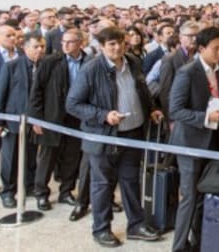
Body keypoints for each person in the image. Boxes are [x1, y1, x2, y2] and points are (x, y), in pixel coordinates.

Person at [65, 26, 163, 247]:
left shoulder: (133, 62)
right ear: (101, 47)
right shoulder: (91, 70)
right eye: (111, 44)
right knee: (102, 185)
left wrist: (151, 109)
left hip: (132, 133)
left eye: (120, 42)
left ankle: (136, 225)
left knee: (130, 181)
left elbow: (142, 90)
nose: (117, 47)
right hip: (104, 137)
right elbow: (72, 104)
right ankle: (101, 229)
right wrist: (103, 115)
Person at [169, 26, 219, 252]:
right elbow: (175, 110)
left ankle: (200, 241)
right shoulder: (187, 72)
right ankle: (179, 246)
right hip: (191, 143)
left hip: (216, 141)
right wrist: (205, 117)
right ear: (201, 48)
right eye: (216, 48)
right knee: (190, 197)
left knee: (208, 194)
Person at [28, 28, 89, 211]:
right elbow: (36, 91)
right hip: (52, 117)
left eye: (70, 42)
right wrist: (36, 118)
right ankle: (41, 193)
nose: (65, 45)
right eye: (63, 42)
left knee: (72, 156)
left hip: (77, 117)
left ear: (81, 43)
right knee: (48, 157)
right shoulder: (50, 61)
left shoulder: (89, 62)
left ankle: (66, 191)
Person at [0, 31, 45, 209]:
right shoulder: (11, 66)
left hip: (36, 122)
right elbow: (0, 95)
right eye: (35, 47)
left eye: (42, 46)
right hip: (14, 121)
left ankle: (29, 185)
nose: (39, 50)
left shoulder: (45, 66)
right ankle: (8, 191)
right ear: (25, 48)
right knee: (10, 159)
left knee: (31, 157)